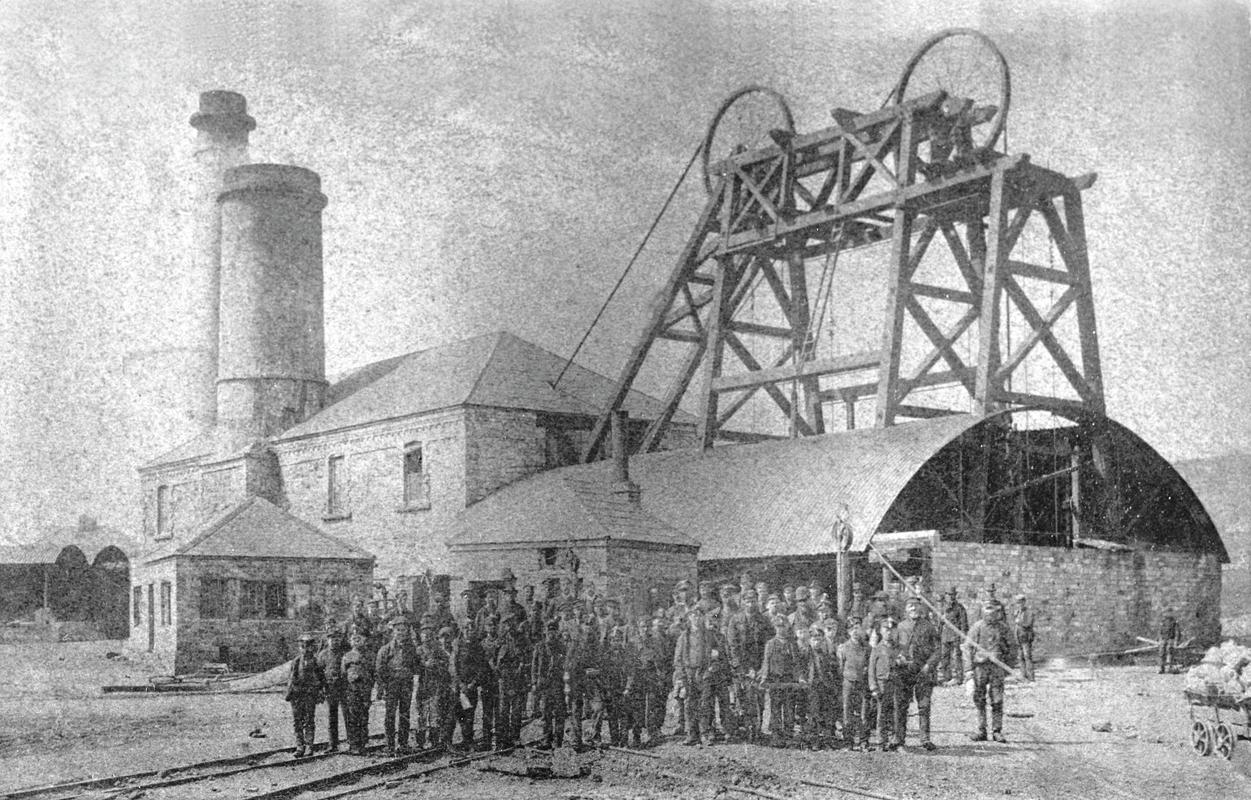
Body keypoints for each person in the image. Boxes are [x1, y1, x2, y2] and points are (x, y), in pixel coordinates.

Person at [894, 596, 940, 751]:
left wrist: (929, 665)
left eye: (916, 606)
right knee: (901, 705)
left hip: (923, 671)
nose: (913, 609)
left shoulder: (928, 626)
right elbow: (894, 647)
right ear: (906, 609)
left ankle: (925, 739)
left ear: (921, 608)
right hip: (906, 671)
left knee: (924, 706)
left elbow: (937, 649)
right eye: (910, 606)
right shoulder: (900, 627)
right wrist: (898, 658)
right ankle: (899, 738)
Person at [963, 599, 1013, 743]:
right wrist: (968, 669)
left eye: (994, 612)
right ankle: (981, 730)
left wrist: (1007, 667)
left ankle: (997, 731)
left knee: (997, 699)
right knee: (979, 698)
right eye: (987, 611)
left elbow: (1012, 648)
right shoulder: (976, 627)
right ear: (983, 612)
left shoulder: (1003, 628)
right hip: (980, 667)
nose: (991, 615)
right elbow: (967, 649)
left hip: (997, 668)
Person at [375, 617, 419, 755]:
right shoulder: (385, 649)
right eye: (398, 630)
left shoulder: (412, 649)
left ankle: (403, 744)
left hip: (406, 684)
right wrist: (381, 688)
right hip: (391, 686)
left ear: (408, 632)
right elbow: (379, 670)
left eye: (403, 630)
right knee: (390, 715)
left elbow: (417, 666)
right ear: (393, 631)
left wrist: (409, 672)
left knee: (405, 714)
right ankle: (389, 745)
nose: (400, 633)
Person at [760, 615, 800, 743]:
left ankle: (789, 734)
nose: (781, 629)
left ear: (787, 627)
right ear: (775, 627)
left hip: (789, 680)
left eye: (783, 626)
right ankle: (776, 735)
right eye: (778, 626)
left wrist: (799, 678)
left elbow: (796, 662)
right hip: (775, 679)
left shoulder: (792, 644)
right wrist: (764, 678)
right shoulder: (770, 644)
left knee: (789, 707)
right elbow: (766, 662)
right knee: (775, 707)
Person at [286, 632, 327, 758]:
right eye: (302, 647)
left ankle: (309, 746)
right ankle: (300, 746)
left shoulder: (316, 662)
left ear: (311, 648)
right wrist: (290, 693)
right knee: (297, 721)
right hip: (297, 695)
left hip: (309, 695)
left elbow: (321, 679)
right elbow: (291, 678)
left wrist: (319, 692)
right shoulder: (296, 661)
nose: (304, 649)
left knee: (309, 721)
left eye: (307, 646)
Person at [532, 621, 567, 750]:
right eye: (549, 631)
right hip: (545, 684)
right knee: (545, 712)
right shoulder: (539, 646)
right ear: (545, 632)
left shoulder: (562, 647)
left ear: (557, 632)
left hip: (558, 683)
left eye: (554, 631)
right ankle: (546, 739)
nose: (551, 633)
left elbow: (566, 664)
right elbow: (534, 666)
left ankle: (558, 740)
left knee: (559, 712)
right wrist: (534, 682)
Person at [868, 616, 899, 751]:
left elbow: (907, 665)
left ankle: (894, 741)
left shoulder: (898, 648)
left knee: (895, 713)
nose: (889, 633)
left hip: (895, 684)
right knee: (881, 714)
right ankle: (880, 741)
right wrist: (873, 687)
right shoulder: (877, 649)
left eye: (891, 630)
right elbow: (871, 669)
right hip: (881, 684)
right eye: (886, 630)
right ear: (881, 631)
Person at [316, 627, 350, 752]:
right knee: (332, 716)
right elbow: (318, 673)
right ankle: (333, 744)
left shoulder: (345, 653)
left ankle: (352, 742)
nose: (335, 641)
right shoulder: (322, 655)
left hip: (345, 688)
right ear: (327, 640)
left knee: (348, 715)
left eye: (337, 639)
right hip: (330, 689)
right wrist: (321, 689)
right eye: (332, 639)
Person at [838, 625, 871, 751]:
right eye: (852, 629)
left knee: (863, 713)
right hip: (848, 683)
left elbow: (869, 665)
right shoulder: (843, 647)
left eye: (858, 629)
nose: (856, 632)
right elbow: (840, 668)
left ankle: (864, 741)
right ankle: (848, 742)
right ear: (848, 632)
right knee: (847, 713)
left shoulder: (867, 648)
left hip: (862, 683)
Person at [341, 632, 374, 755]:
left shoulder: (370, 655)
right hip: (352, 690)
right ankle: (354, 744)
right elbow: (343, 673)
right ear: (350, 641)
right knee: (353, 717)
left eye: (359, 639)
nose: (356, 641)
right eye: (354, 639)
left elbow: (373, 672)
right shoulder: (347, 656)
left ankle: (363, 743)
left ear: (364, 641)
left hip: (365, 690)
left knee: (364, 716)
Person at [939, 588, 969, 685]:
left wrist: (963, 636)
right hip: (945, 636)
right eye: (948, 595)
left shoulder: (959, 608)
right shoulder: (943, 608)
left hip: (955, 636)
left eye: (952, 595)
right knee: (944, 657)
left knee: (956, 657)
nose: (950, 597)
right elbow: (939, 624)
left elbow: (964, 623)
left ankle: (957, 678)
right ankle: (946, 677)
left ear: (955, 596)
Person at [1012, 594, 1036, 681]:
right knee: (1020, 657)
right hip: (1018, 638)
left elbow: (1028, 624)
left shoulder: (1029, 613)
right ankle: (1023, 675)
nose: (1019, 605)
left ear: (1024, 602)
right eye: (1017, 603)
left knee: (1027, 657)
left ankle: (1031, 676)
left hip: (1026, 638)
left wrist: (1019, 622)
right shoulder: (1017, 612)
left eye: (1020, 602)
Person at [1158, 607, 1181, 674]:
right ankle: (1162, 668)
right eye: (1167, 612)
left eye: (1170, 612)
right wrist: (1160, 639)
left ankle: (1170, 667)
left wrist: (1176, 641)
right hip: (1163, 639)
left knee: (1170, 651)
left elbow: (1177, 632)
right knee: (1161, 652)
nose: (1168, 614)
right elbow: (1160, 631)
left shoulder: (1174, 621)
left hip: (1171, 639)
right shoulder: (1163, 621)